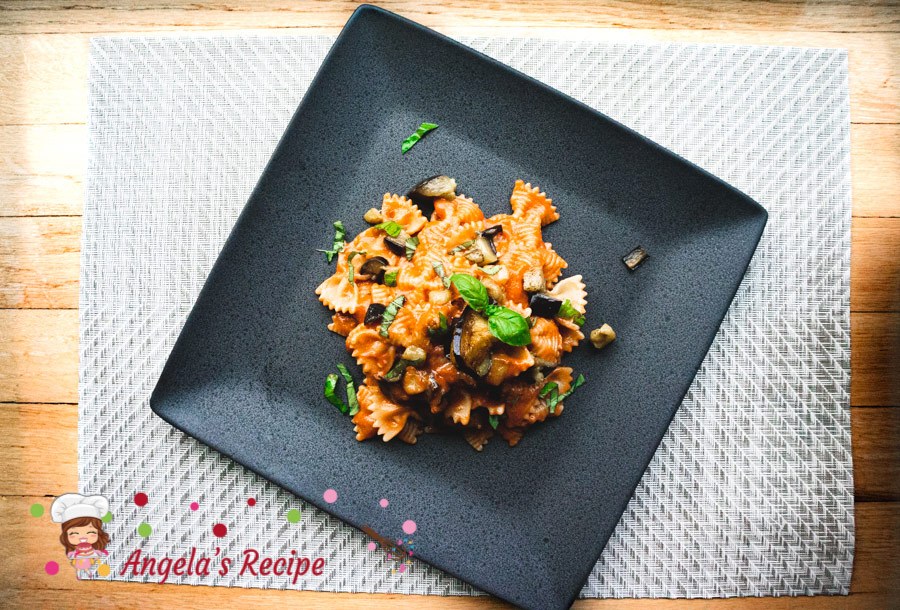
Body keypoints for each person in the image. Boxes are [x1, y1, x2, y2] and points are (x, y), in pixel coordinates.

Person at [51, 493, 111, 579]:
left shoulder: (92, 549)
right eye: (74, 533)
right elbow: (71, 555)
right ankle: (79, 574)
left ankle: (87, 573)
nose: (83, 537)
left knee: (86, 567)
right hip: (78, 562)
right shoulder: (75, 551)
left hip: (87, 561)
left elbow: (96, 554)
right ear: (65, 535)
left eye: (90, 532)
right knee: (79, 568)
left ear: (98, 532)